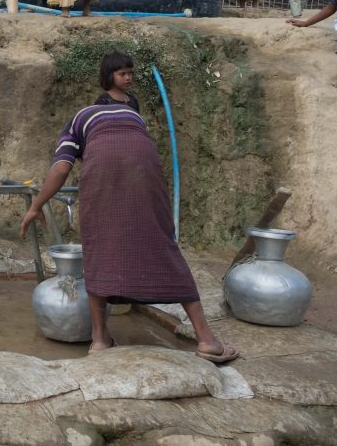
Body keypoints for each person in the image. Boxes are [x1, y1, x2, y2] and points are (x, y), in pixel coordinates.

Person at [19, 104, 238, 363]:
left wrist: (35, 206)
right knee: (162, 246)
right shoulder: (135, 120)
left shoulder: (76, 123)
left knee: (99, 250)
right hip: (144, 170)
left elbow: (61, 169)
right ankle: (207, 340)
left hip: (102, 174)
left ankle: (99, 340)